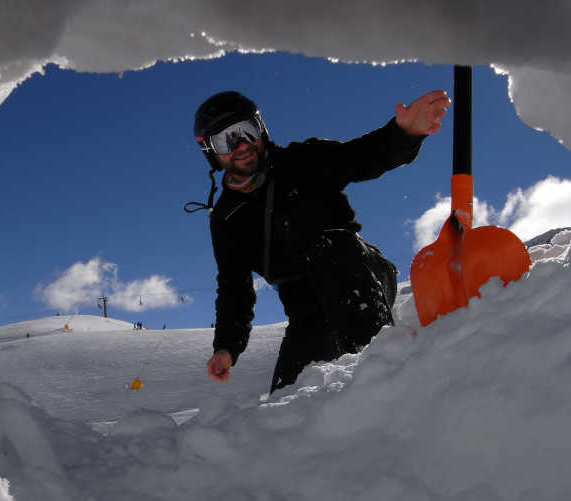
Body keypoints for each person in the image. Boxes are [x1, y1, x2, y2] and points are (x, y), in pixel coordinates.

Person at [189, 89, 449, 394]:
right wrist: (227, 347)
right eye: (227, 140)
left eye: (246, 131)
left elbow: (361, 157)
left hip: (360, 274)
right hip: (308, 314)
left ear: (261, 129)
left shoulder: (303, 161)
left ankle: (390, 367)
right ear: (211, 152)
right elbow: (234, 286)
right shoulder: (227, 218)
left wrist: (403, 133)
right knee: (286, 405)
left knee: (330, 247)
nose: (242, 146)